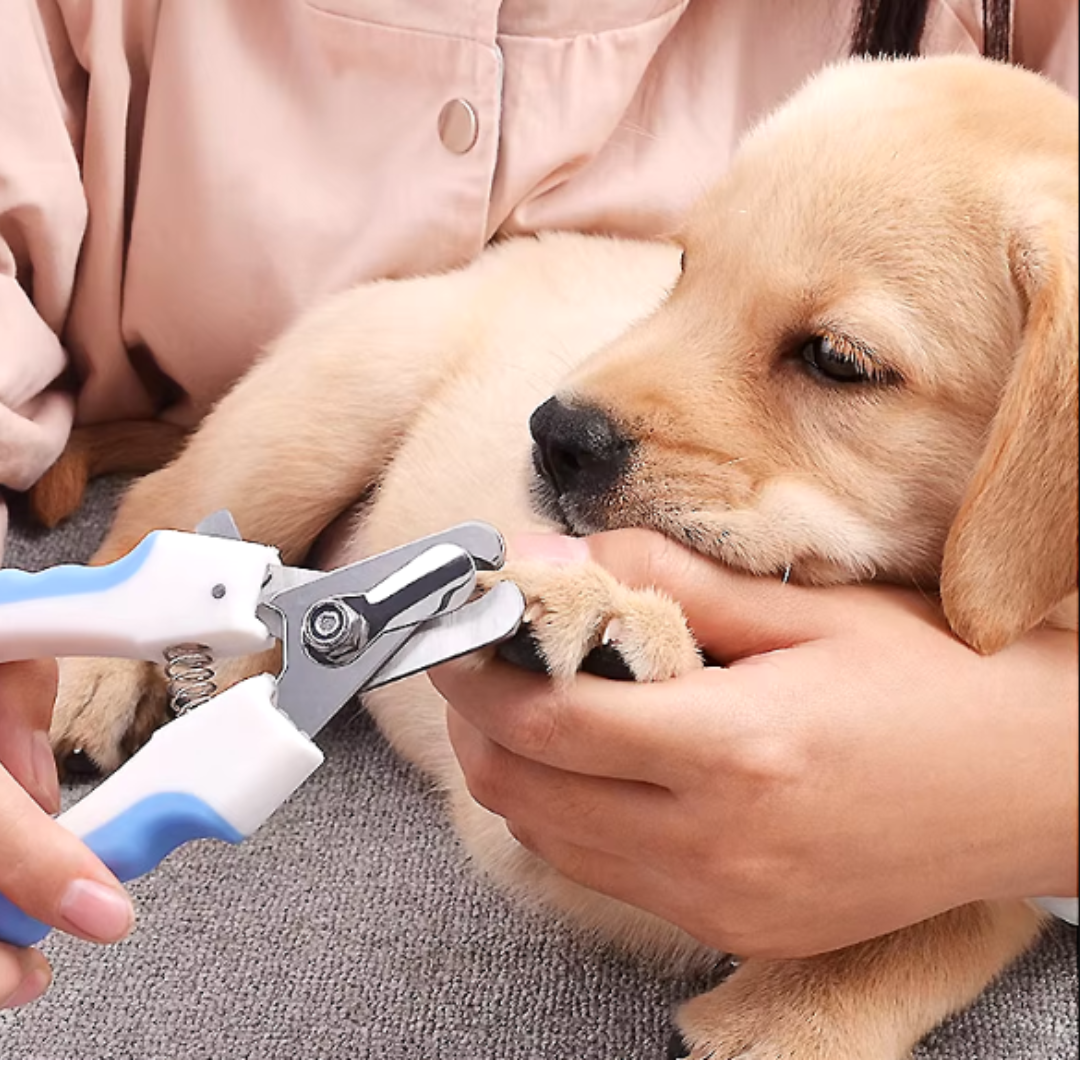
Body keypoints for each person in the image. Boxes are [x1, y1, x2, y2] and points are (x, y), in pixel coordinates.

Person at [1, 0, 1076, 1010]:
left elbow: (1003, 870)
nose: (582, 409)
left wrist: (1027, 796)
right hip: (428, 381)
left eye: (836, 360)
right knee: (377, 357)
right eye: (684, 267)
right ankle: (155, 575)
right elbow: (520, 809)